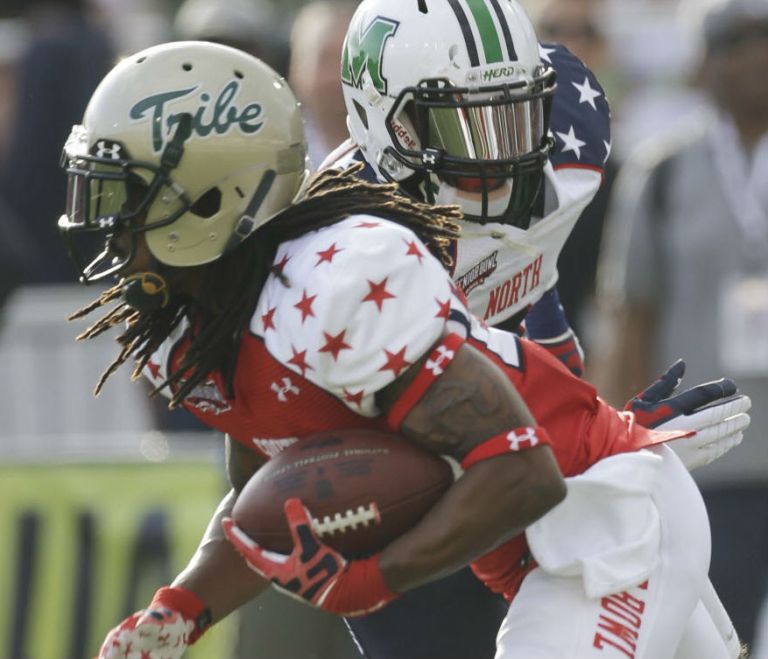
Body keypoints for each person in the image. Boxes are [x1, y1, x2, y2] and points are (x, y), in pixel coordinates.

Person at [56, 41, 749, 659]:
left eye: (125, 200)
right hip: (535, 546)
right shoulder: (194, 335)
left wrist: (371, 580)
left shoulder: (334, 285)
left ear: (211, 200)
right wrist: (183, 607)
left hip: (602, 515)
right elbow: (263, 505)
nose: (108, 230)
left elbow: (525, 470)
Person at [325, 1, 747, 657]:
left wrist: (598, 430)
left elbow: (531, 318)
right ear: (390, 125)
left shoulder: (569, 136)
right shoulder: (344, 253)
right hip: (410, 516)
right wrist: (598, 448)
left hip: (529, 468)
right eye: (463, 123)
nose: (502, 151)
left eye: (515, 112)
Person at [596, 0, 768, 651]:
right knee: (718, 642)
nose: (755, 56)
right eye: (733, 42)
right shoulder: (663, 171)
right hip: (708, 461)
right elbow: (631, 316)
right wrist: (622, 455)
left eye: (766, 38)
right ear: (702, 63)